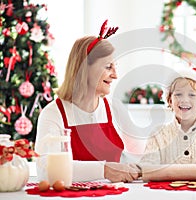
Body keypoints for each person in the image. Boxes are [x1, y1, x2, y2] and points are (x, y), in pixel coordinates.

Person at [35, 20, 139, 183]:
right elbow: (45, 170)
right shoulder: (53, 114)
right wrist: (104, 170)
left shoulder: (114, 108)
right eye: (108, 67)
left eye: (115, 66)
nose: (115, 75)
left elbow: (139, 154)